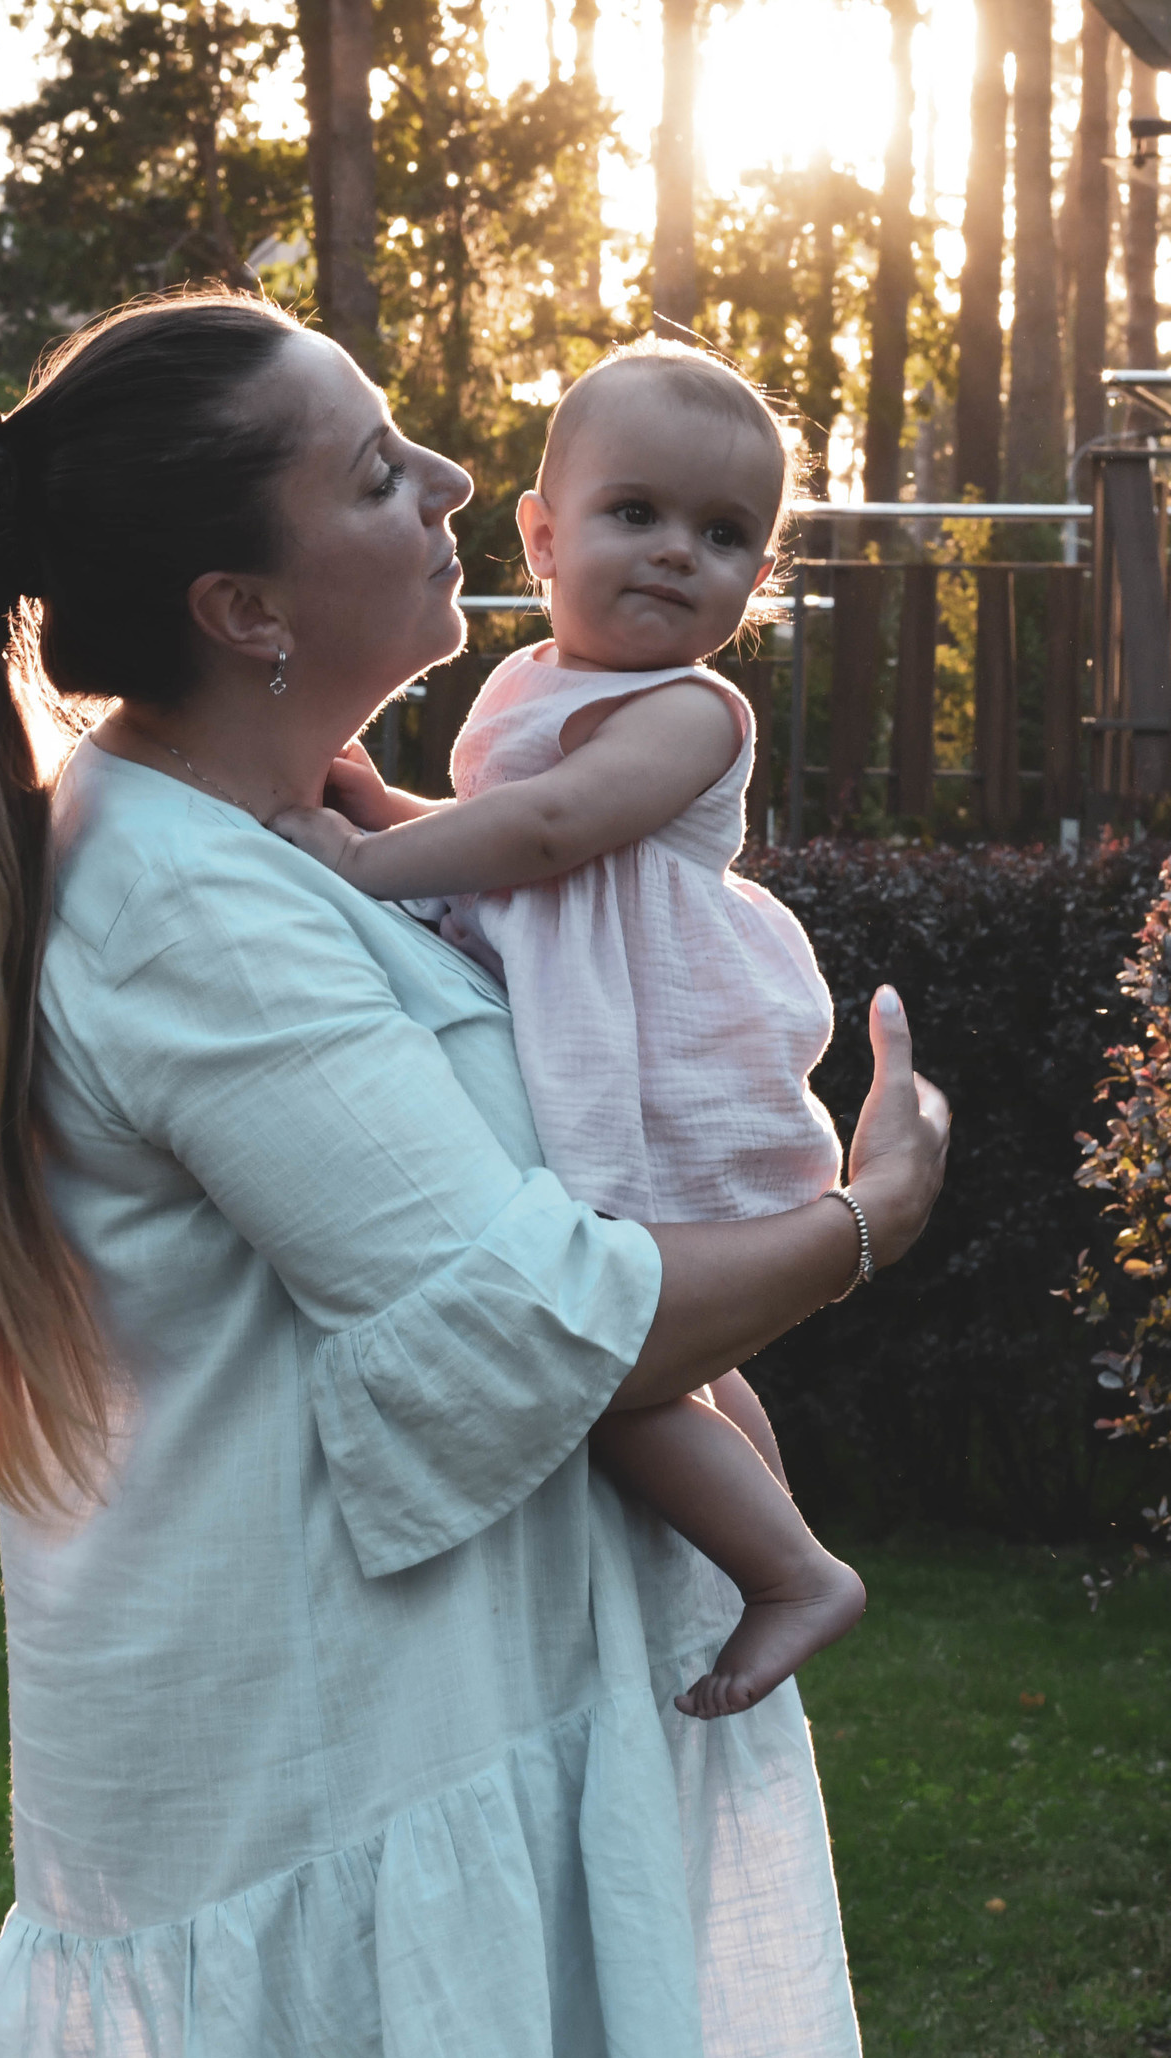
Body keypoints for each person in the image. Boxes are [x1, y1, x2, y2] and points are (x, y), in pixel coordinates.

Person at [0, 289, 949, 2058]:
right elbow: (535, 1320)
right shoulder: (188, 905)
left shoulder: (278, 849)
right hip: (345, 1803)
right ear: (245, 609)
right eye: (378, 470)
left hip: (445, 1750)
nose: (460, 479)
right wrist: (870, 1211)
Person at [271, 339, 861, 1721]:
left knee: (606, 1354)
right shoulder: (532, 684)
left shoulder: (692, 713)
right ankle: (770, 1538)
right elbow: (501, 852)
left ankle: (789, 1567)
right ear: (543, 534)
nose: (674, 554)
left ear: (757, 586)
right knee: (680, 1354)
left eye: (723, 536)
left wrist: (359, 859)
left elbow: (548, 831)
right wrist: (378, 804)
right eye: (635, 513)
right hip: (592, 1016)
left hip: (658, 1055)